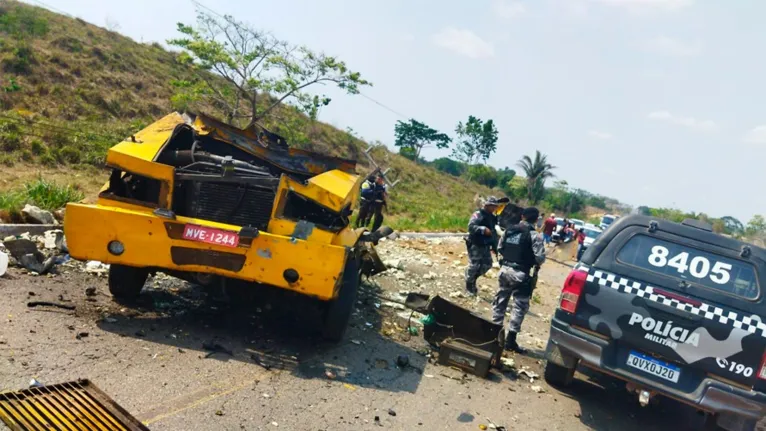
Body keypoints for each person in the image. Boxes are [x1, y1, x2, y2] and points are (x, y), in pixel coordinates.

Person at [493, 206, 546, 354]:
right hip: (521, 274)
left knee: (501, 300)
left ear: (522, 216)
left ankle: (493, 333)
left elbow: (500, 248)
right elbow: (540, 258)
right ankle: (510, 340)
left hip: (504, 271)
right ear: (536, 219)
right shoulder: (535, 235)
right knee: (519, 306)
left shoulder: (509, 230)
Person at [464, 196, 500, 295]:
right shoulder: (478, 214)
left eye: (495, 206)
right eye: (492, 206)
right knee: (474, 265)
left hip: (486, 245)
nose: (494, 208)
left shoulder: (492, 217)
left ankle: (472, 278)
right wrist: (483, 229)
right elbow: (471, 227)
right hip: (475, 243)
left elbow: (493, 232)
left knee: (487, 265)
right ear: (487, 205)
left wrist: (495, 246)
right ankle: (469, 286)